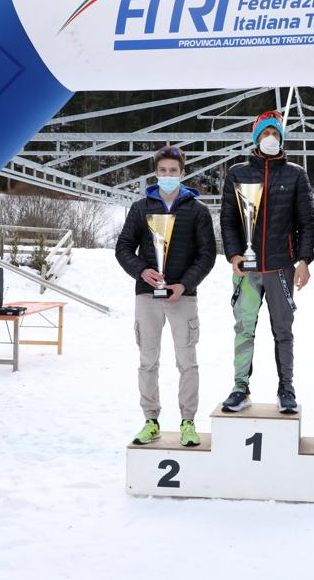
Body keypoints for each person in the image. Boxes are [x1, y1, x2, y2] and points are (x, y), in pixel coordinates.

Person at [115, 146, 216, 447]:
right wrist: (142, 271)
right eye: (163, 171)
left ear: (183, 173)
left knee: (187, 361)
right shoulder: (140, 207)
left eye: (174, 170)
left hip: (183, 298)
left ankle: (188, 420)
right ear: (155, 173)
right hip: (147, 297)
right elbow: (123, 248)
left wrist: (184, 284)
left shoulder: (197, 210)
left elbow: (207, 254)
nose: (168, 175)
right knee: (148, 361)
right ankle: (150, 420)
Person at [219, 110, 314, 414]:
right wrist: (234, 253)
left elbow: (307, 221)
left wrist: (303, 259)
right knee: (244, 328)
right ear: (255, 138)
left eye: (275, 133)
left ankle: (286, 388)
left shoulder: (295, 174)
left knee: (283, 330)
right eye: (264, 134)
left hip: (281, 267)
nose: (270, 139)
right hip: (246, 270)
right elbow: (228, 219)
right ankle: (240, 387)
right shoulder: (238, 173)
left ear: (281, 138)